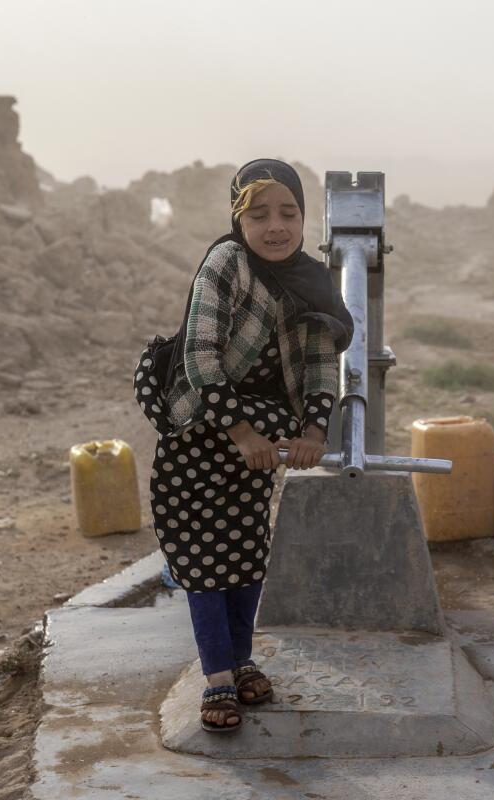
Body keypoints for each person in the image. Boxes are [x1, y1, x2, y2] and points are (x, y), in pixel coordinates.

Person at [146, 159, 352, 732]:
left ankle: (241, 659)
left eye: (288, 212)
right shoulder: (226, 264)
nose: (275, 226)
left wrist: (314, 430)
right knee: (203, 561)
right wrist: (241, 432)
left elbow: (318, 364)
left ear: (304, 217)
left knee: (246, 554)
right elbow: (199, 355)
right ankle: (217, 680)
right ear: (238, 219)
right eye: (258, 214)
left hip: (261, 442)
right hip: (198, 434)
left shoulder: (310, 281)